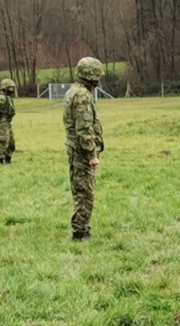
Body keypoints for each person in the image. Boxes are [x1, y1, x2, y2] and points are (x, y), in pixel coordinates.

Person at [63, 57, 105, 241]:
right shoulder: (82, 96)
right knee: (84, 192)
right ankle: (80, 232)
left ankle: (82, 228)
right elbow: (84, 127)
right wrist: (91, 153)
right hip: (81, 151)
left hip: (75, 148)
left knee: (82, 190)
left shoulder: (74, 91)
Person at [0, 78, 17, 164]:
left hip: (7, 121)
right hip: (2, 121)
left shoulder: (8, 97)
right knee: (4, 140)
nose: (12, 89)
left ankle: (8, 158)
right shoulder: (2, 98)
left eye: (12, 88)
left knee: (11, 142)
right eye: (10, 88)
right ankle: (1, 160)